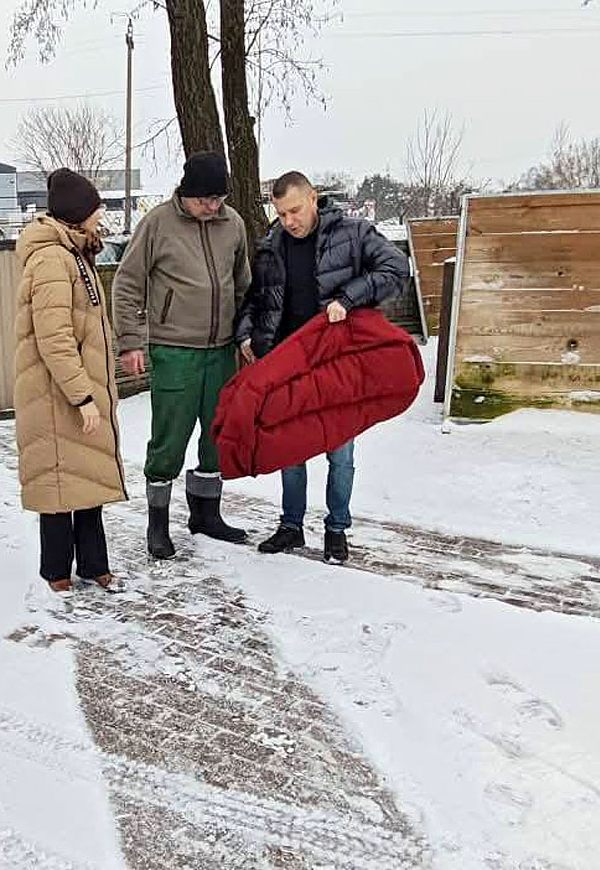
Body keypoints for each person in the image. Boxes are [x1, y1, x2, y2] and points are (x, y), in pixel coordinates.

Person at [235, 171, 410, 563]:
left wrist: (348, 299)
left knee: (340, 451)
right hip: (289, 362)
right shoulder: (271, 246)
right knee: (289, 448)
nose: (289, 221)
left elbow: (397, 269)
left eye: (295, 210)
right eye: (281, 214)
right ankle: (291, 526)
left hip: (337, 363)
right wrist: (245, 336)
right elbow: (256, 299)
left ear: (313, 198)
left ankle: (336, 529)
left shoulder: (353, 234)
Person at [113, 152, 252, 560]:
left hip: (222, 349)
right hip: (175, 350)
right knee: (169, 438)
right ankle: (157, 524)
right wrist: (131, 342)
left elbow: (244, 285)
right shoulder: (157, 223)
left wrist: (247, 335)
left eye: (219, 199)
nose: (212, 206)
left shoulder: (233, 223)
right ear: (186, 193)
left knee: (218, 435)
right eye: (204, 199)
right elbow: (127, 283)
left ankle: (206, 514)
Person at [14, 169, 128, 592]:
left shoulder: (76, 253)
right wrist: (82, 395)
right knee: (60, 481)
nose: (101, 215)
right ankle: (57, 572)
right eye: (96, 208)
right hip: (56, 394)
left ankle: (94, 565)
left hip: (78, 388)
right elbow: (55, 338)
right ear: (78, 213)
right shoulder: (51, 260)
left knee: (87, 475)